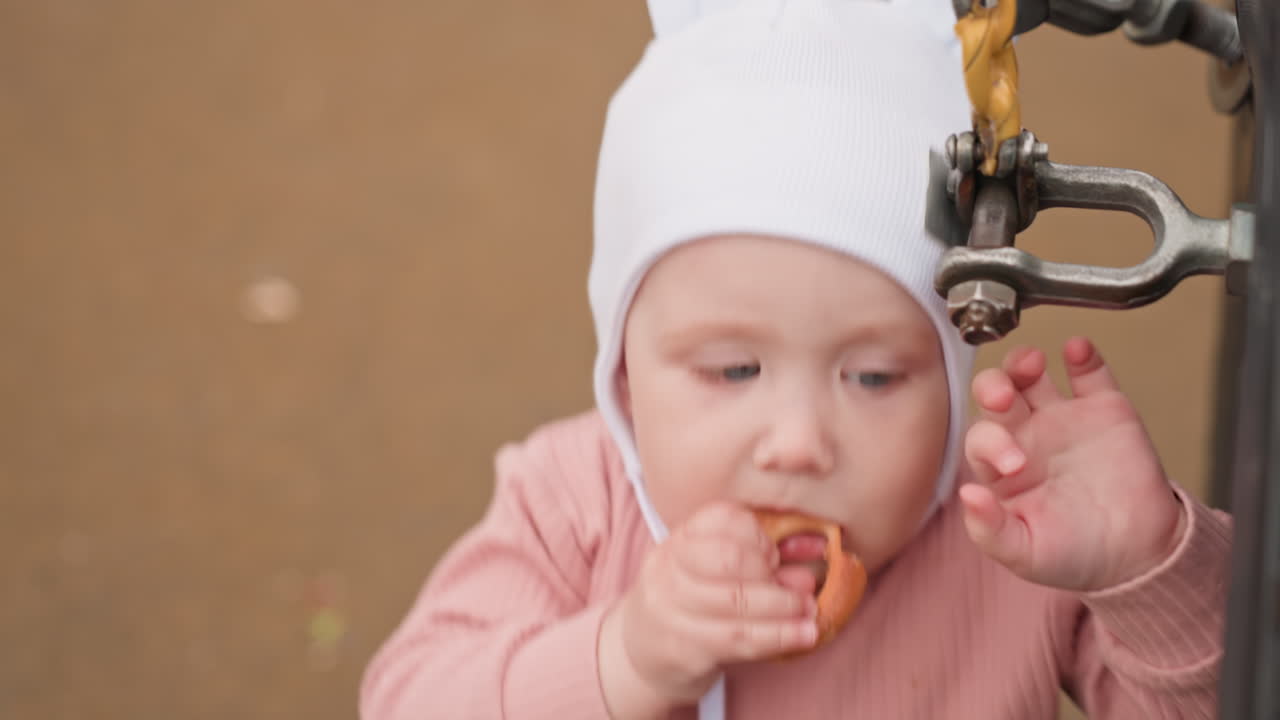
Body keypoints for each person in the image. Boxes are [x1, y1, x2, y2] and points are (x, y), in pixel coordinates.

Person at [360, 0, 1232, 717]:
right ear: (625, 374)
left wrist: (1148, 567)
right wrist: (624, 657)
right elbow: (407, 699)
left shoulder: (1013, 539)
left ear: (952, 369)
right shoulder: (573, 504)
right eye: (735, 370)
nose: (800, 442)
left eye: (875, 376)